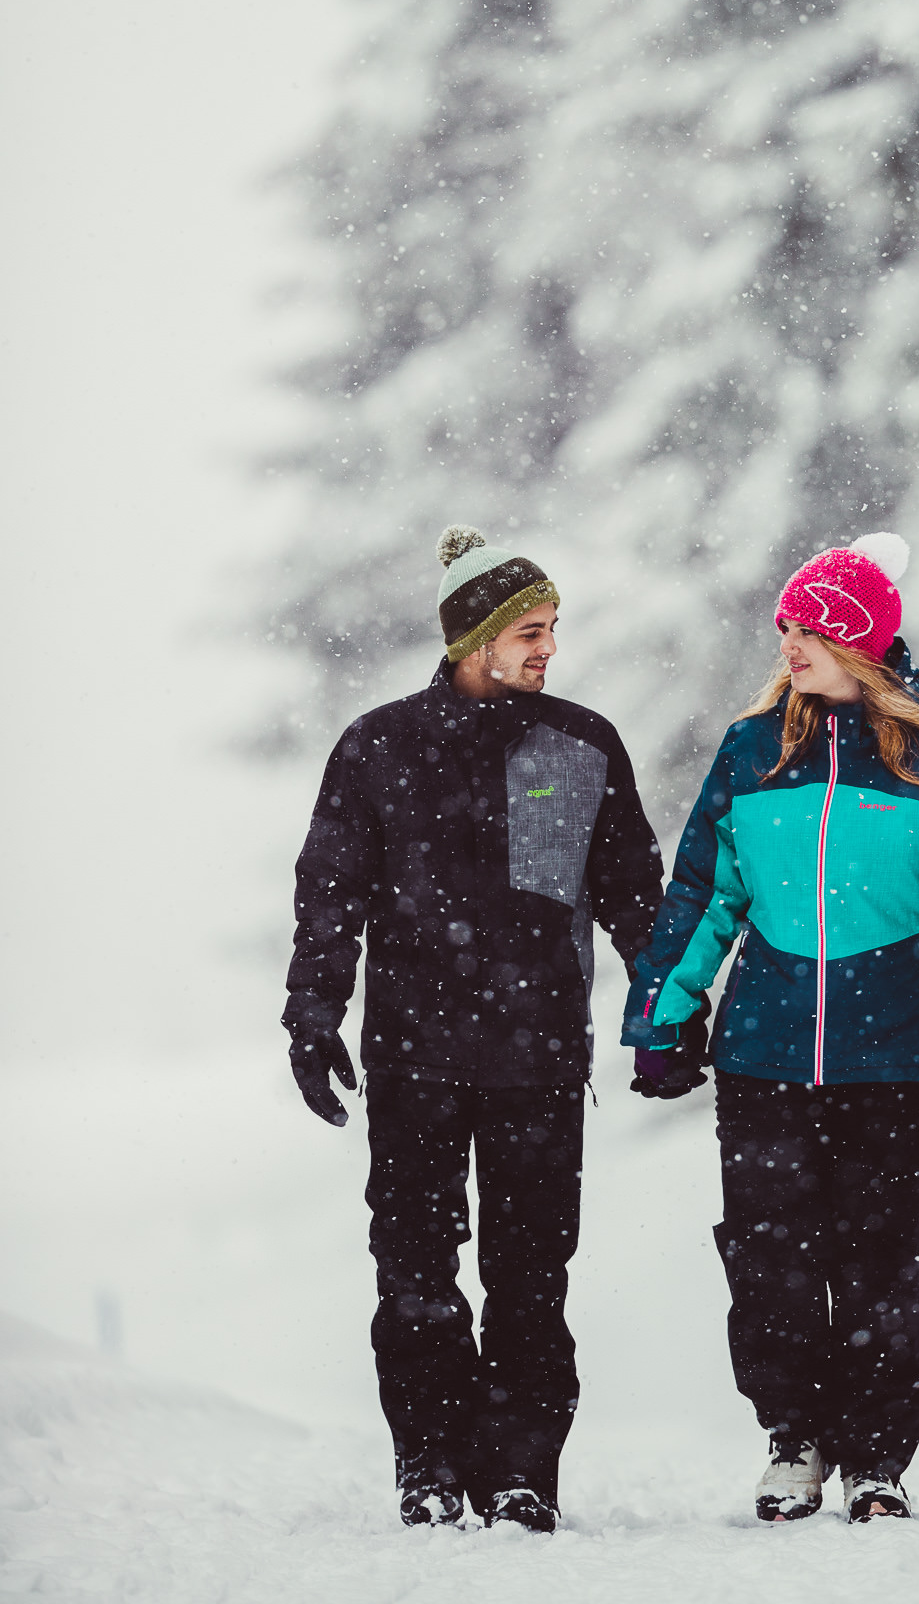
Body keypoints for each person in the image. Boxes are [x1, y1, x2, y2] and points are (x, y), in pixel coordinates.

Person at [624, 532, 919, 1525]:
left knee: (878, 1259)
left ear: (859, 641)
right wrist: (661, 1017)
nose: (789, 644)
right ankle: (793, 1437)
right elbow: (703, 894)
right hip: (764, 1051)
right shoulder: (755, 749)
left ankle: (876, 1458)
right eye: (786, 627)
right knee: (768, 1256)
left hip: (905, 1055)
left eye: (807, 628)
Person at [284, 526, 663, 1532]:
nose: (547, 649)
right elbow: (329, 890)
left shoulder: (583, 744)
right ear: (474, 637)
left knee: (531, 1277)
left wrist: (666, 1003)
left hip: (539, 1059)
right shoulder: (378, 746)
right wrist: (312, 1011)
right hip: (413, 1059)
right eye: (530, 631)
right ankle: (430, 1461)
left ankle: (521, 1470)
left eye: (553, 630)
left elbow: (633, 891)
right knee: (415, 1271)